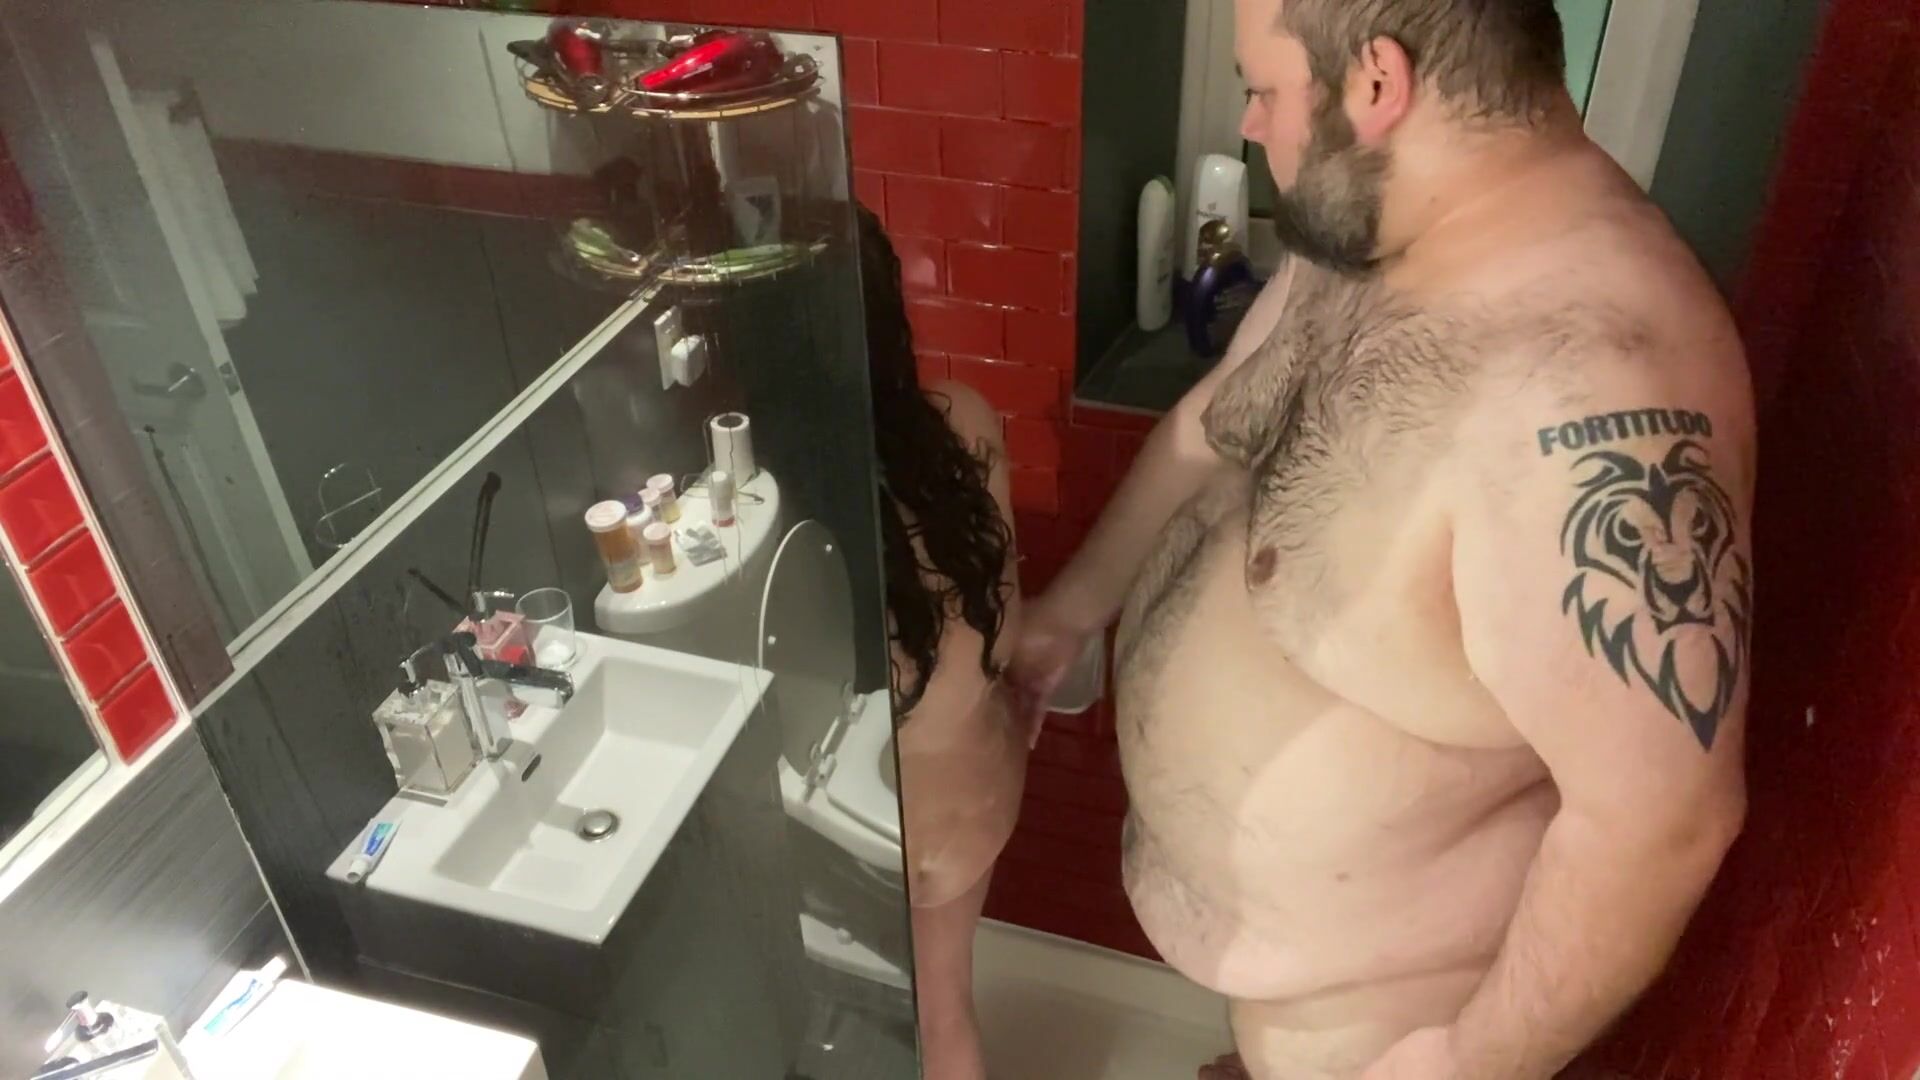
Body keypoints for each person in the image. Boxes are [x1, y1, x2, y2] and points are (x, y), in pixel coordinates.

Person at [1010, 3, 1754, 1078]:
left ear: (1375, 83)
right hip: (1267, 966)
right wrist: (1072, 614)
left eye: (1263, 89)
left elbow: (1661, 826)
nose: (1250, 124)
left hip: (1372, 1030)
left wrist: (1463, 1061)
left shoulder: (1596, 389)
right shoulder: (1376, 221)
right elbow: (1221, 422)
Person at [858, 206, 1030, 1080]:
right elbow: (1012, 622)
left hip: (866, 831)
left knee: (859, 1028)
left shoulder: (780, 476)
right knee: (946, 1009)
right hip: (974, 803)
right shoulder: (963, 418)